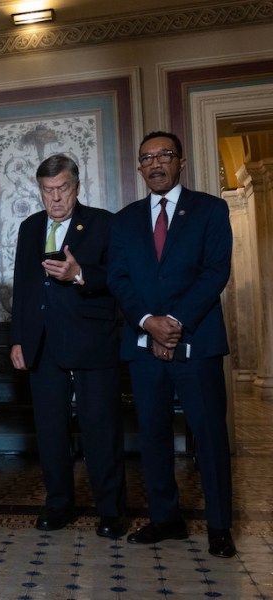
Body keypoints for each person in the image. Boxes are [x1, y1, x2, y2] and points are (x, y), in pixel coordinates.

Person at [107, 131, 236, 558]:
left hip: (197, 342)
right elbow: (118, 279)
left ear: (181, 161)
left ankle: (219, 525)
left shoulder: (210, 210)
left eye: (164, 155)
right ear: (139, 167)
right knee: (153, 435)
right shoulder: (124, 219)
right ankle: (166, 519)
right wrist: (149, 324)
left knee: (209, 434)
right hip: (143, 346)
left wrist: (174, 323)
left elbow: (215, 271)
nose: (155, 163)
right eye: (147, 158)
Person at [10, 154, 127, 538]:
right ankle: (58, 504)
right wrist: (19, 340)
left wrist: (80, 275)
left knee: (100, 428)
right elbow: (24, 289)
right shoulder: (29, 227)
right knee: (50, 431)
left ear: (77, 187)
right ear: (39, 191)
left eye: (62, 189)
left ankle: (111, 511)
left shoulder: (103, 223)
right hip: (42, 345)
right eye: (48, 190)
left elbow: (121, 280)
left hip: (93, 342)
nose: (56, 198)